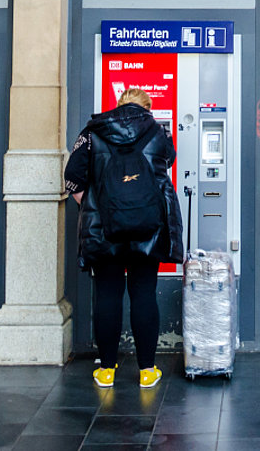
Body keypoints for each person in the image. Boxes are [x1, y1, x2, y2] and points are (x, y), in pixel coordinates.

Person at [64, 88, 183, 388]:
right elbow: (166, 164)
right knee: (144, 293)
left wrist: (96, 206)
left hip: (106, 230)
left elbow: (71, 177)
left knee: (108, 294)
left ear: (118, 106)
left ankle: (106, 370)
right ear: (147, 108)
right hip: (148, 229)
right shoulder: (158, 132)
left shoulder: (92, 132)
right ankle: (146, 370)